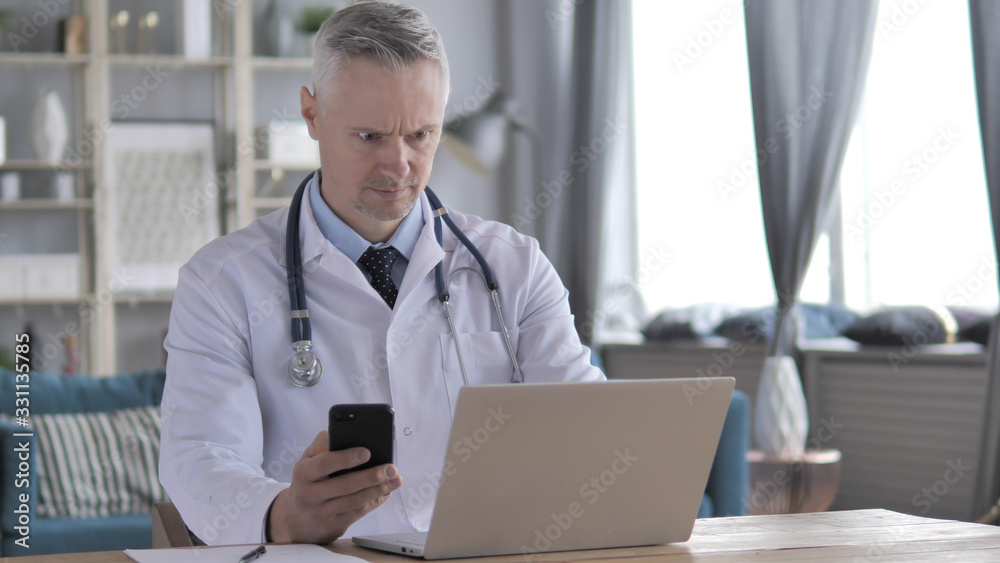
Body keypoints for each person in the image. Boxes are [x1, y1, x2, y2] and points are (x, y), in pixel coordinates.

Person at [158, 0, 604, 547]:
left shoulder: (515, 267)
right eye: (370, 137)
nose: (398, 166)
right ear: (312, 114)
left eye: (421, 135)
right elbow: (200, 458)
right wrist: (282, 515)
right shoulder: (222, 282)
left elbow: (589, 432)